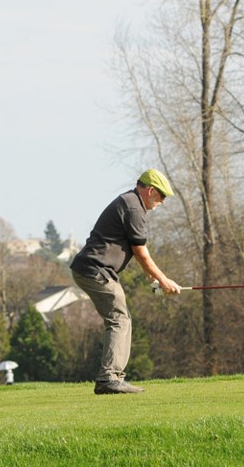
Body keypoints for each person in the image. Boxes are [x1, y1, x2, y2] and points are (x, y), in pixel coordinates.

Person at [70, 169, 182, 394]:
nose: (162, 202)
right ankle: (109, 378)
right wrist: (164, 279)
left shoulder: (130, 203)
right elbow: (141, 252)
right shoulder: (134, 208)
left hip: (92, 269)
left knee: (120, 317)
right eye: (162, 197)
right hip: (95, 270)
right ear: (150, 190)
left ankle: (112, 377)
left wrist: (154, 279)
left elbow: (135, 251)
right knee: (119, 318)